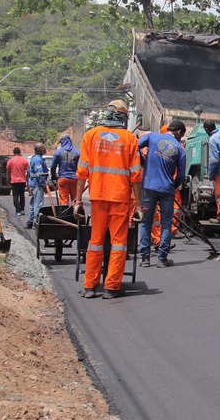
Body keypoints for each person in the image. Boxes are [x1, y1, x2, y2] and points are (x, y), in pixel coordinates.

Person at [75, 100, 142, 299]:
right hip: (120, 197)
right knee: (118, 243)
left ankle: (90, 286)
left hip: (98, 197)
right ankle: (111, 287)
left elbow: (81, 172)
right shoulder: (129, 139)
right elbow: (136, 175)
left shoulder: (91, 135)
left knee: (95, 242)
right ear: (123, 117)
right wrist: (139, 204)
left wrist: (77, 200)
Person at [137, 119, 186, 268]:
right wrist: (173, 186)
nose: (181, 138)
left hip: (148, 187)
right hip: (167, 190)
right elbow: (181, 176)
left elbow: (134, 145)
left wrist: (141, 160)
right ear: (178, 132)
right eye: (181, 135)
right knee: (166, 224)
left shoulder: (152, 137)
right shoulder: (180, 149)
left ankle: (145, 258)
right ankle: (162, 259)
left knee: (145, 223)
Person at [51, 134, 80, 205]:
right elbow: (81, 166)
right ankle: (75, 214)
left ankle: (65, 215)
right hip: (75, 179)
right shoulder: (77, 153)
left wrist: (53, 176)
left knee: (64, 201)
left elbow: (52, 166)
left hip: (63, 179)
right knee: (75, 200)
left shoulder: (58, 152)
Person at [25, 143, 49, 229]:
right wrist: (44, 184)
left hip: (33, 184)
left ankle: (30, 222)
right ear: (39, 150)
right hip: (37, 184)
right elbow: (40, 174)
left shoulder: (36, 159)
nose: (44, 149)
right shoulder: (38, 160)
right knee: (38, 204)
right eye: (43, 148)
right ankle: (36, 222)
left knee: (33, 203)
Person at [5, 146, 29, 216]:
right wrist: (27, 180)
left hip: (14, 181)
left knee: (15, 196)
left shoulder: (10, 161)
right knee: (22, 195)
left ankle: (18, 211)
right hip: (22, 181)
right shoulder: (24, 161)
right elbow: (28, 171)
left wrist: (7, 178)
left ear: (13, 153)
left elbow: (8, 171)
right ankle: (22, 210)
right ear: (20, 152)